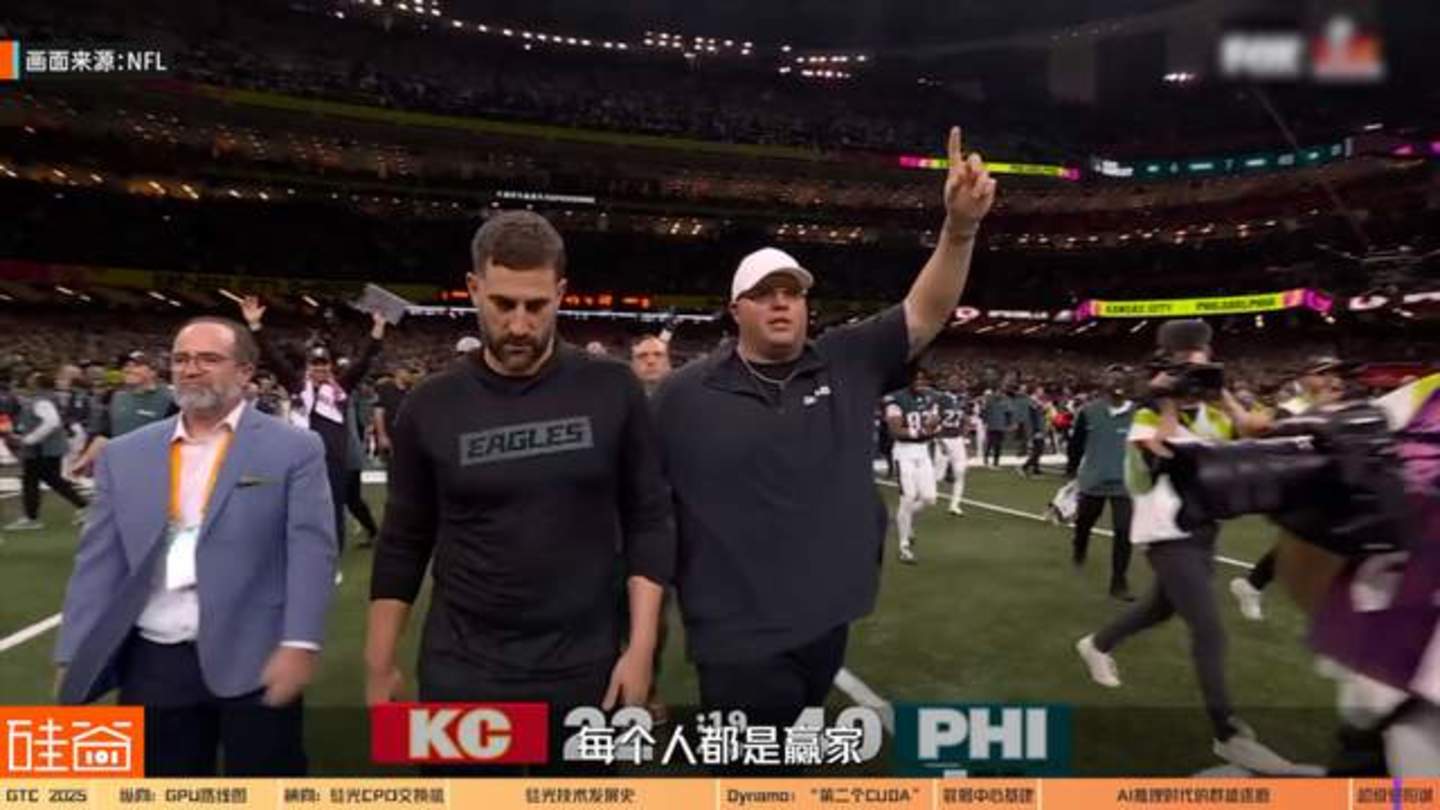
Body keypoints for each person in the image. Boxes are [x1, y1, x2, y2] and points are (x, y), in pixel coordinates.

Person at [653, 126, 995, 723]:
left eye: (792, 291)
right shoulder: (684, 394)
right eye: (764, 293)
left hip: (825, 621)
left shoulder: (845, 358)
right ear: (736, 310)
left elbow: (925, 312)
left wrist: (960, 230)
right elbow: (646, 509)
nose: (781, 301)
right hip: (736, 635)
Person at [364, 212, 675, 757]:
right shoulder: (430, 405)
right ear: (473, 288)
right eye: (502, 304)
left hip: (586, 662)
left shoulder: (612, 388)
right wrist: (379, 660)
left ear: (560, 294)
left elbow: (648, 518)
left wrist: (642, 647)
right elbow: (404, 538)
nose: (519, 325)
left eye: (536, 306)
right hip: (463, 666)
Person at [53, 317, 337, 776]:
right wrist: (72, 653)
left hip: (256, 653)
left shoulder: (294, 448)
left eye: (209, 359)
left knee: (267, 783)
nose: (190, 369)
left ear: (245, 371)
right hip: (155, 659)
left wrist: (300, 641)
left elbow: (311, 553)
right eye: (181, 359)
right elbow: (98, 562)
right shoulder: (125, 454)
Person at [1075, 319, 1309, 774]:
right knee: (1209, 628)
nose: (1192, 373)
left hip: (1203, 530)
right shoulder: (1147, 413)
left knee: (1159, 609)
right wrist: (1165, 400)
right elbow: (1159, 452)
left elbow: (1254, 431)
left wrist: (1223, 395)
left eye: (1200, 363)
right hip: (1166, 532)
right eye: (1184, 364)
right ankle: (1228, 734)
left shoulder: (1216, 412)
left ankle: (1096, 644)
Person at [241, 298, 386, 560]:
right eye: (315, 364)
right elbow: (273, 357)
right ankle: (300, 552)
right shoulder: (297, 386)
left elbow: (364, 361)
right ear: (308, 367)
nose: (319, 369)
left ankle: (332, 557)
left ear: (330, 367)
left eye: (324, 364)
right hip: (301, 459)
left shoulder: (341, 388)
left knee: (334, 510)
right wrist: (255, 325)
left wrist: (377, 330)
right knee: (299, 507)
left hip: (334, 461)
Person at [1228, 355, 1347, 622]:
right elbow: (1274, 441)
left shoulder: (1337, 406)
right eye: (1322, 373)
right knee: (1318, 536)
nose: (1331, 379)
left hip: (1327, 481)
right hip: (1298, 482)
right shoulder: (1291, 408)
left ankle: (1253, 584)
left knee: (1314, 538)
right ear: (1304, 378)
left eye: (1334, 373)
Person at [1066, 365, 1137, 601]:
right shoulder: (1089, 411)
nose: (1117, 384)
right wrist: (1071, 471)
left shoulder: (1139, 414)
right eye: (1112, 379)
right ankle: (1079, 546)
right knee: (1085, 522)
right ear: (1104, 384)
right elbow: (1076, 444)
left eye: (1121, 380)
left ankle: (1119, 582)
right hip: (1093, 479)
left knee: (1124, 531)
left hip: (1125, 482)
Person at [2, 371, 90, 531]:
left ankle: (33, 517)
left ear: (38, 384)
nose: (28, 381)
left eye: (32, 380)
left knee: (40, 481)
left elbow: (51, 422)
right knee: (45, 480)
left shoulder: (41, 401)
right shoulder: (46, 398)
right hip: (45, 449)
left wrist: (31, 438)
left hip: (41, 450)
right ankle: (81, 506)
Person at [72, 351, 176, 477]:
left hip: (156, 472)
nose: (128, 369)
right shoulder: (116, 398)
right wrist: (85, 460)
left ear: (152, 371)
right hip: (121, 469)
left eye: (135, 366)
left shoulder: (170, 399)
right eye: (126, 366)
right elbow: (105, 435)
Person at [887, 367, 941, 564]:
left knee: (929, 499)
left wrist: (933, 427)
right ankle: (904, 547)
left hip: (923, 452)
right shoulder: (896, 399)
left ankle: (904, 520)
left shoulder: (930, 398)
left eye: (923, 379)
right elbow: (895, 430)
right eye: (916, 379)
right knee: (908, 497)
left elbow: (934, 424)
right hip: (904, 452)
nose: (920, 382)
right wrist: (921, 431)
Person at [931, 374, 970, 516]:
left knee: (960, 472)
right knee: (939, 475)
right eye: (952, 381)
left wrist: (964, 436)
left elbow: (965, 419)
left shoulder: (962, 399)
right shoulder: (940, 399)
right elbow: (933, 421)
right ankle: (922, 491)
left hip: (957, 440)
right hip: (944, 439)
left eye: (957, 381)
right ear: (947, 383)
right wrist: (938, 440)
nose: (955, 384)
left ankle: (954, 505)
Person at [372, 366, 416, 463]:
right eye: (409, 372)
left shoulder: (412, 390)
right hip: (390, 434)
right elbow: (378, 413)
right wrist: (382, 436)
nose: (411, 375)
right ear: (399, 372)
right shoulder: (385, 388)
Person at [981, 388, 1012, 467]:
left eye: (1001, 393)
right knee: (990, 443)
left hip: (1000, 426)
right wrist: (985, 421)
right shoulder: (989, 401)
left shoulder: (1005, 402)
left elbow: (1008, 413)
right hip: (991, 425)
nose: (999, 394)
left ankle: (996, 461)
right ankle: (986, 458)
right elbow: (984, 411)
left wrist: (1008, 424)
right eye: (997, 392)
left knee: (998, 445)